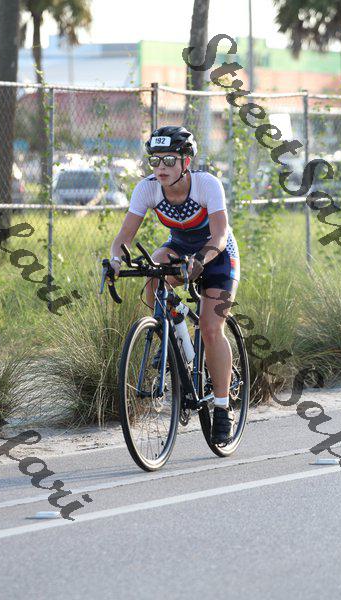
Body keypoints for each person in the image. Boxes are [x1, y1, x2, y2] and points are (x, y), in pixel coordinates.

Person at [109, 126, 241, 444]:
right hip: (180, 248)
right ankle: (170, 329)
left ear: (186, 162)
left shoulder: (207, 185)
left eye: (169, 160)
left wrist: (201, 260)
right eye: (155, 161)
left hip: (218, 255)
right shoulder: (148, 188)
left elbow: (219, 236)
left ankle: (222, 407)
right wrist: (114, 261)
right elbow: (123, 238)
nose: (161, 168)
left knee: (210, 328)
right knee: (153, 270)